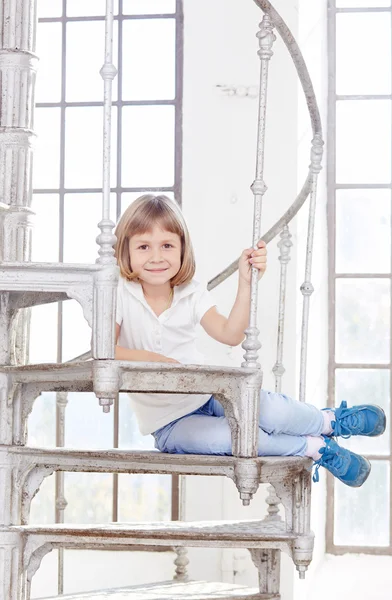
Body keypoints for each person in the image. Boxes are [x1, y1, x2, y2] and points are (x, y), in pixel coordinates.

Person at [114, 194, 386, 487]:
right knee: (241, 440)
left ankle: (329, 421)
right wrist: (153, 361)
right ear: (126, 252)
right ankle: (317, 448)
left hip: (211, 394)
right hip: (170, 425)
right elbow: (106, 351)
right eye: (144, 246)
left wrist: (246, 284)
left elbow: (230, 333)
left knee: (273, 411)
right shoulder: (118, 293)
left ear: (182, 249)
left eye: (167, 245)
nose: (156, 256)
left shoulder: (190, 293)